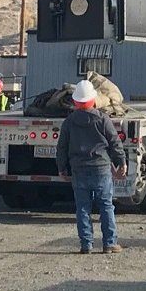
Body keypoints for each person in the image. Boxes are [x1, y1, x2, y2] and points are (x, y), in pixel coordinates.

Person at [54, 79, 128, 255]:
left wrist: (61, 167)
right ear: (93, 99)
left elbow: (62, 147)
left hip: (78, 170)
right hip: (101, 169)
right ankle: (110, 244)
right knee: (106, 206)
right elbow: (114, 143)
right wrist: (121, 162)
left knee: (83, 208)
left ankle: (86, 245)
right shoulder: (103, 119)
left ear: (75, 101)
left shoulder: (69, 122)